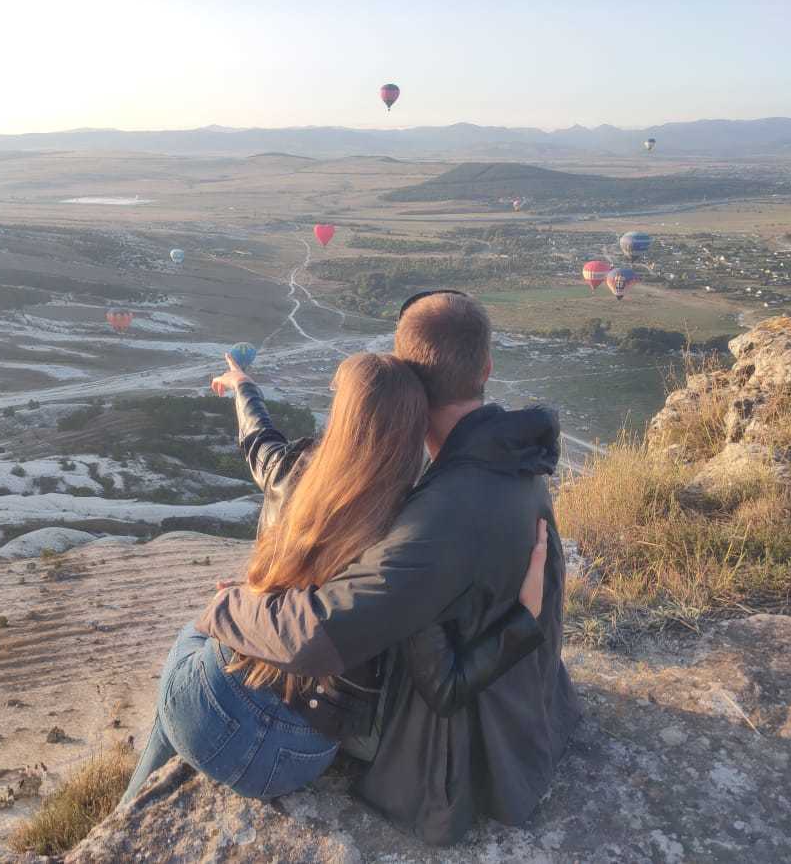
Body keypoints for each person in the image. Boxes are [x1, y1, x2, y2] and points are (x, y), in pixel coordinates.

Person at [197, 292, 581, 844]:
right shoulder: (514, 459)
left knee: (198, 649)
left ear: (409, 383)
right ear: (487, 368)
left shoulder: (439, 516)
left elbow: (319, 633)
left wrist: (225, 604)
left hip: (449, 762)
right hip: (524, 712)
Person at [123, 346, 548, 806]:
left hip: (217, 710)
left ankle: (127, 814)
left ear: (342, 416)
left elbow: (258, 440)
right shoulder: (413, 531)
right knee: (207, 650)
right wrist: (526, 618)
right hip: (299, 751)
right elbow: (444, 680)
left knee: (194, 638)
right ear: (414, 427)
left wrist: (242, 386)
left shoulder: (294, 469)